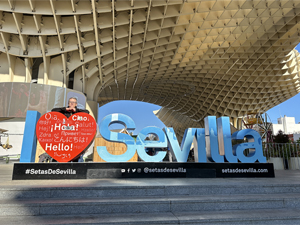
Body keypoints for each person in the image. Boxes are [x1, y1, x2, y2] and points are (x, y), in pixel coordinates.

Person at [51, 97, 90, 162]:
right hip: (64, 137)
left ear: (76, 104)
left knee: (76, 155)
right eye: (70, 102)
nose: (72, 103)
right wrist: (65, 109)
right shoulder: (63, 111)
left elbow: (87, 112)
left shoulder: (78, 112)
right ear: (68, 103)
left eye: (73, 102)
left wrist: (76, 110)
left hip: (75, 137)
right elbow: (53, 110)